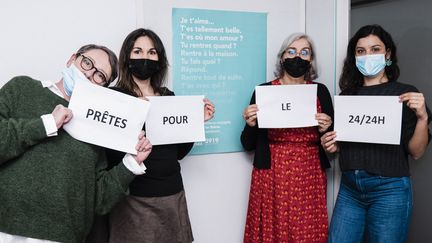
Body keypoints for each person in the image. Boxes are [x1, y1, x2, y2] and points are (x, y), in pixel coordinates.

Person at [0, 44, 153, 243]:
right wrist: (46, 124)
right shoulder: (22, 88)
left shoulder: (98, 125)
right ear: (72, 59)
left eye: (100, 76)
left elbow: (98, 201)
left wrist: (131, 163)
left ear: (103, 88)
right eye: (87, 63)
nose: (89, 74)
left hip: (61, 236)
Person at [86, 28, 215, 243]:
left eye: (152, 52)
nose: (145, 57)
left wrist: (196, 122)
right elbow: (107, 154)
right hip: (133, 197)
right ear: (127, 57)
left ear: (159, 59)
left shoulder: (168, 97)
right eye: (138, 51)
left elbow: (178, 153)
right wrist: (137, 115)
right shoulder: (114, 97)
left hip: (172, 194)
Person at [321, 24, 431, 243]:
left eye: (375, 49)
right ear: (354, 57)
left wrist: (422, 118)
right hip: (350, 188)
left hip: (389, 189)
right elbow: (344, 143)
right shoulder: (347, 96)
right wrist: (331, 144)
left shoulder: (404, 93)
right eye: (360, 51)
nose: (367, 55)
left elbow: (416, 152)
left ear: (387, 54)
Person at [241, 33, 333, 243]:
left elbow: (333, 145)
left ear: (311, 60)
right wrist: (250, 124)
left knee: (307, 232)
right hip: (272, 172)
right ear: (282, 57)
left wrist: (326, 129)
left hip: (309, 173)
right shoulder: (263, 91)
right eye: (291, 51)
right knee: (273, 230)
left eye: (304, 52)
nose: (297, 57)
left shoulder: (320, 92)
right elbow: (246, 144)